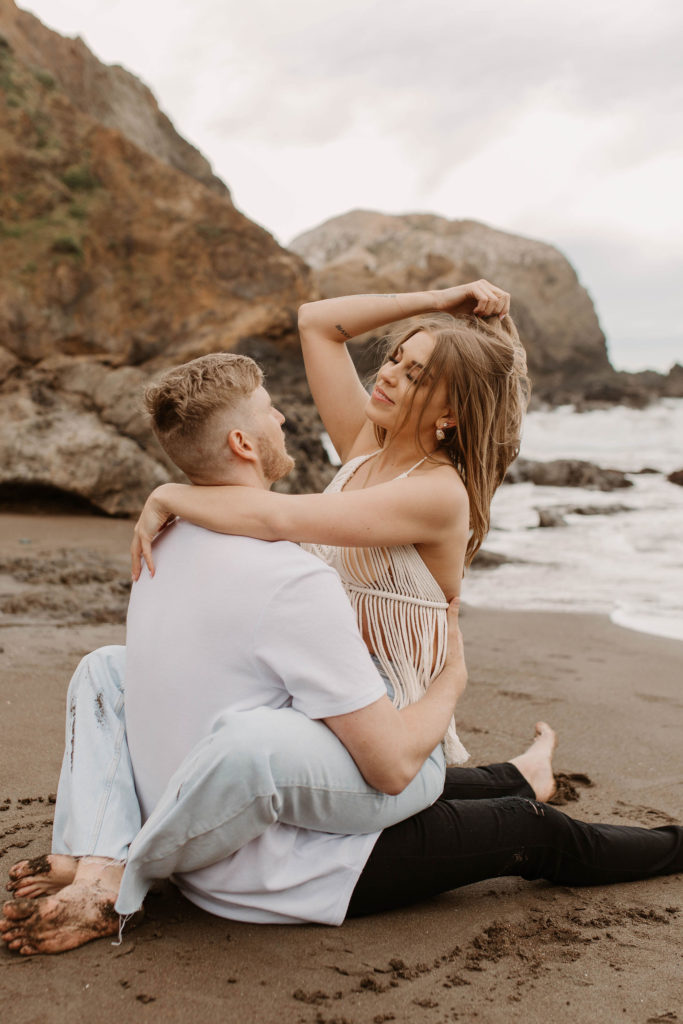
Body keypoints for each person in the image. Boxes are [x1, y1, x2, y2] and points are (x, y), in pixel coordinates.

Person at [2, 348, 681, 957]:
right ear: (243, 440)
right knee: (526, 830)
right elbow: (385, 768)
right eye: (272, 412)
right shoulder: (294, 580)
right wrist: (450, 679)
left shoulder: (169, 537)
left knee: (113, 667)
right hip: (284, 873)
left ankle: (520, 772)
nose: (285, 423)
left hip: (223, 798)